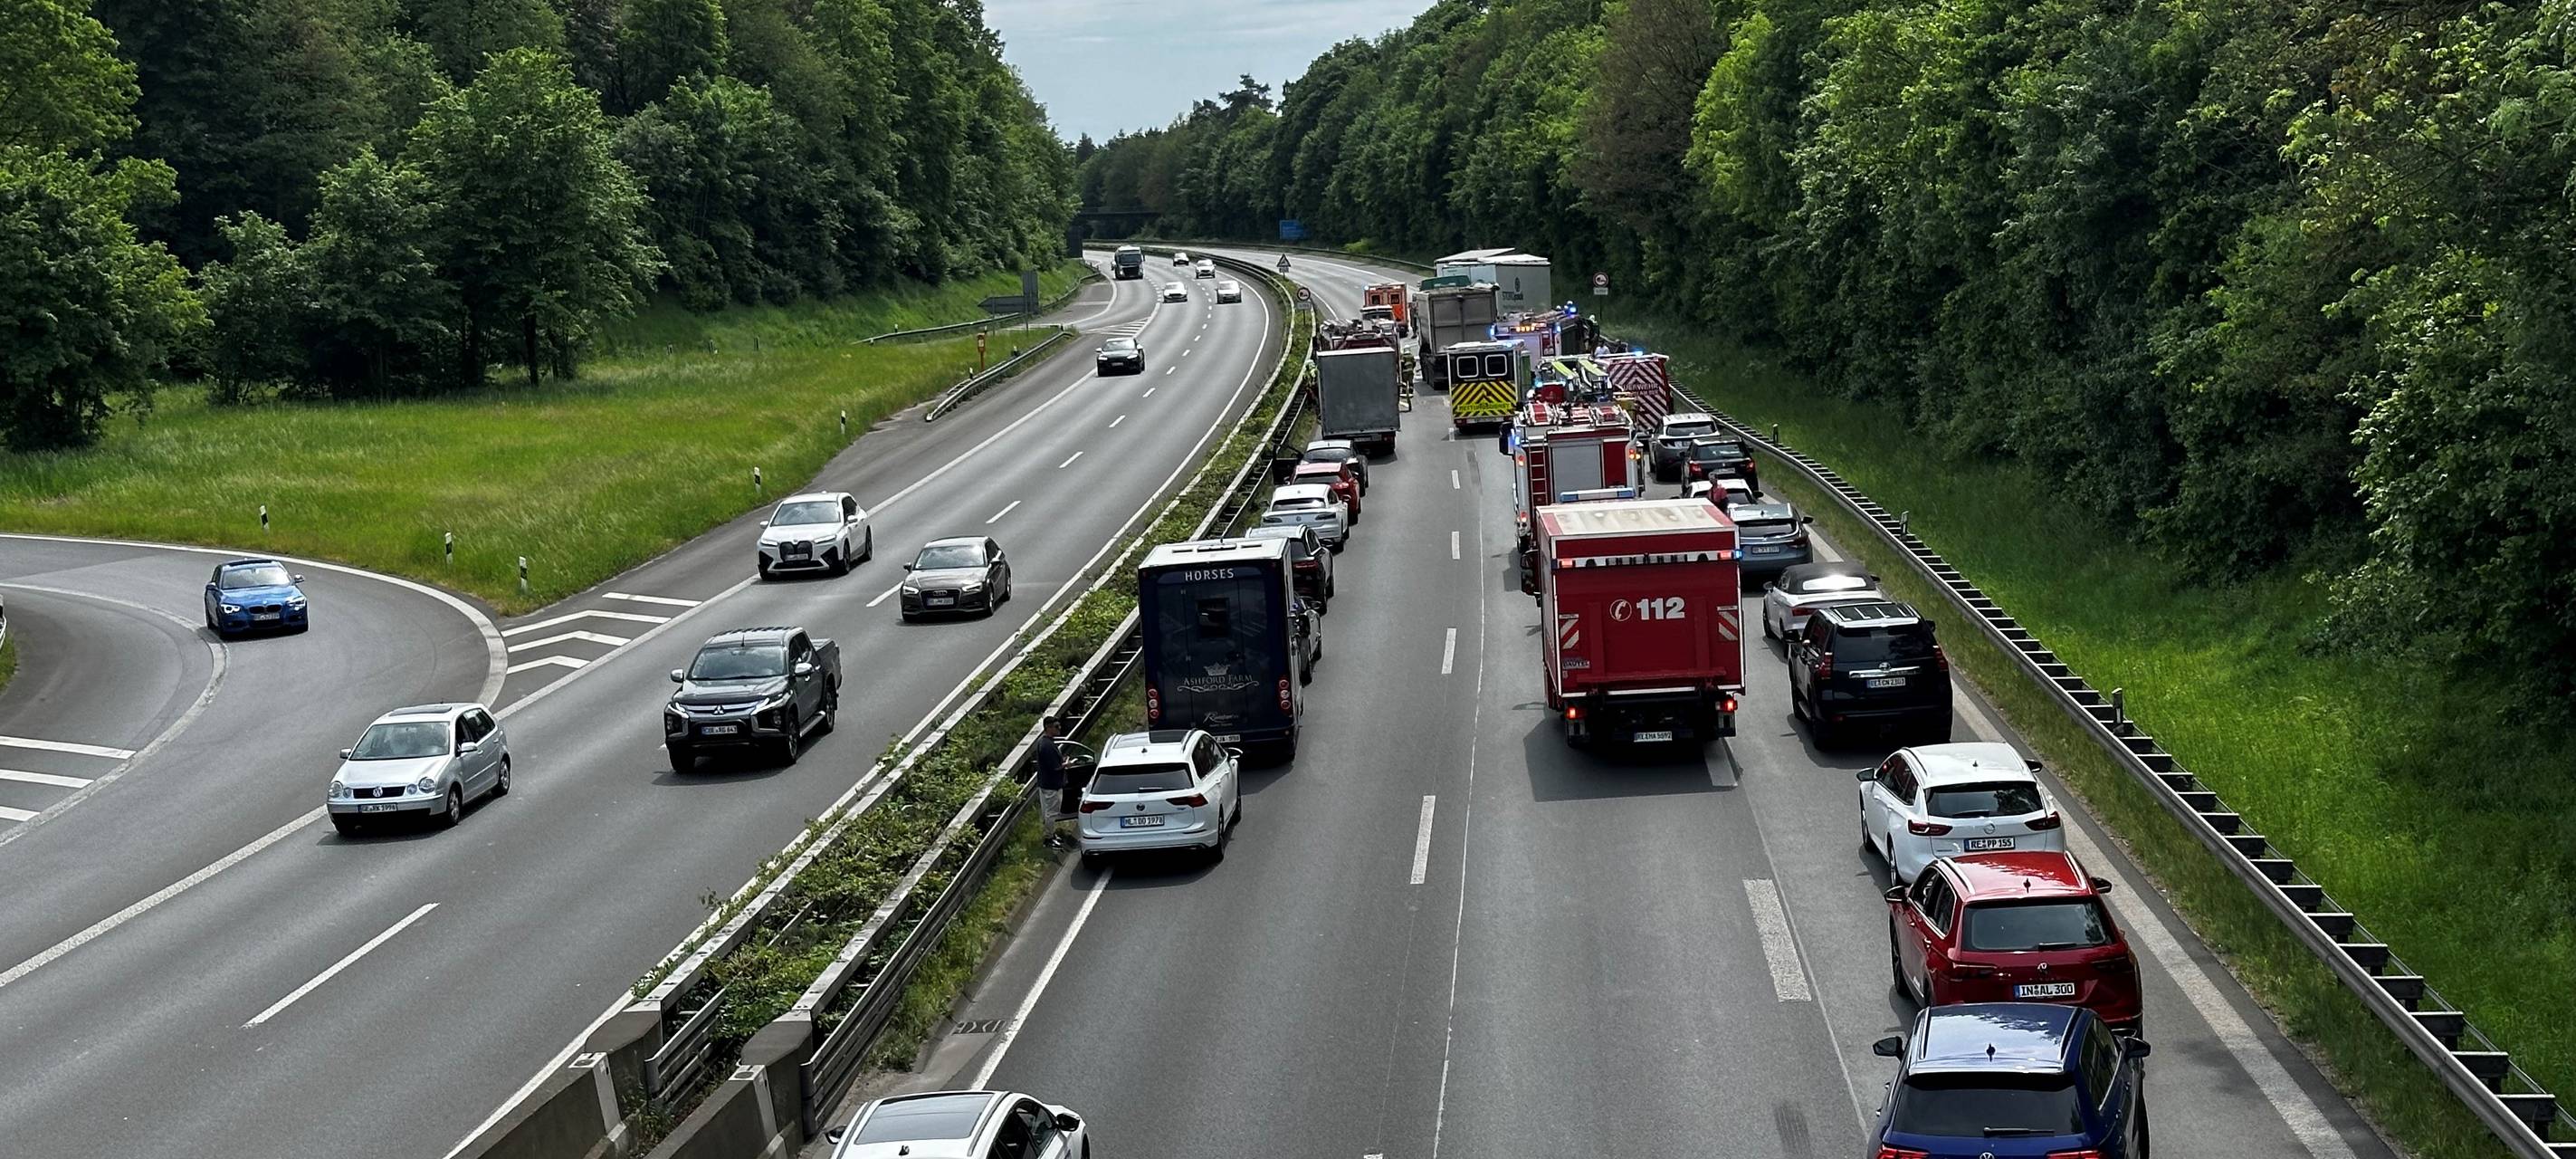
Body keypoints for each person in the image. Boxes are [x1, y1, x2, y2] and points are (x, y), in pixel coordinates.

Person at [1035, 716, 1073, 848]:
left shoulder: (1045, 743)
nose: (1059, 728)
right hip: (1052, 785)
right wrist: (1066, 764)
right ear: (1048, 728)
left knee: (1048, 812)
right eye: (1056, 726)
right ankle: (1048, 838)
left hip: (1046, 783)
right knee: (1052, 813)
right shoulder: (1047, 746)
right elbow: (1055, 767)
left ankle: (1049, 835)